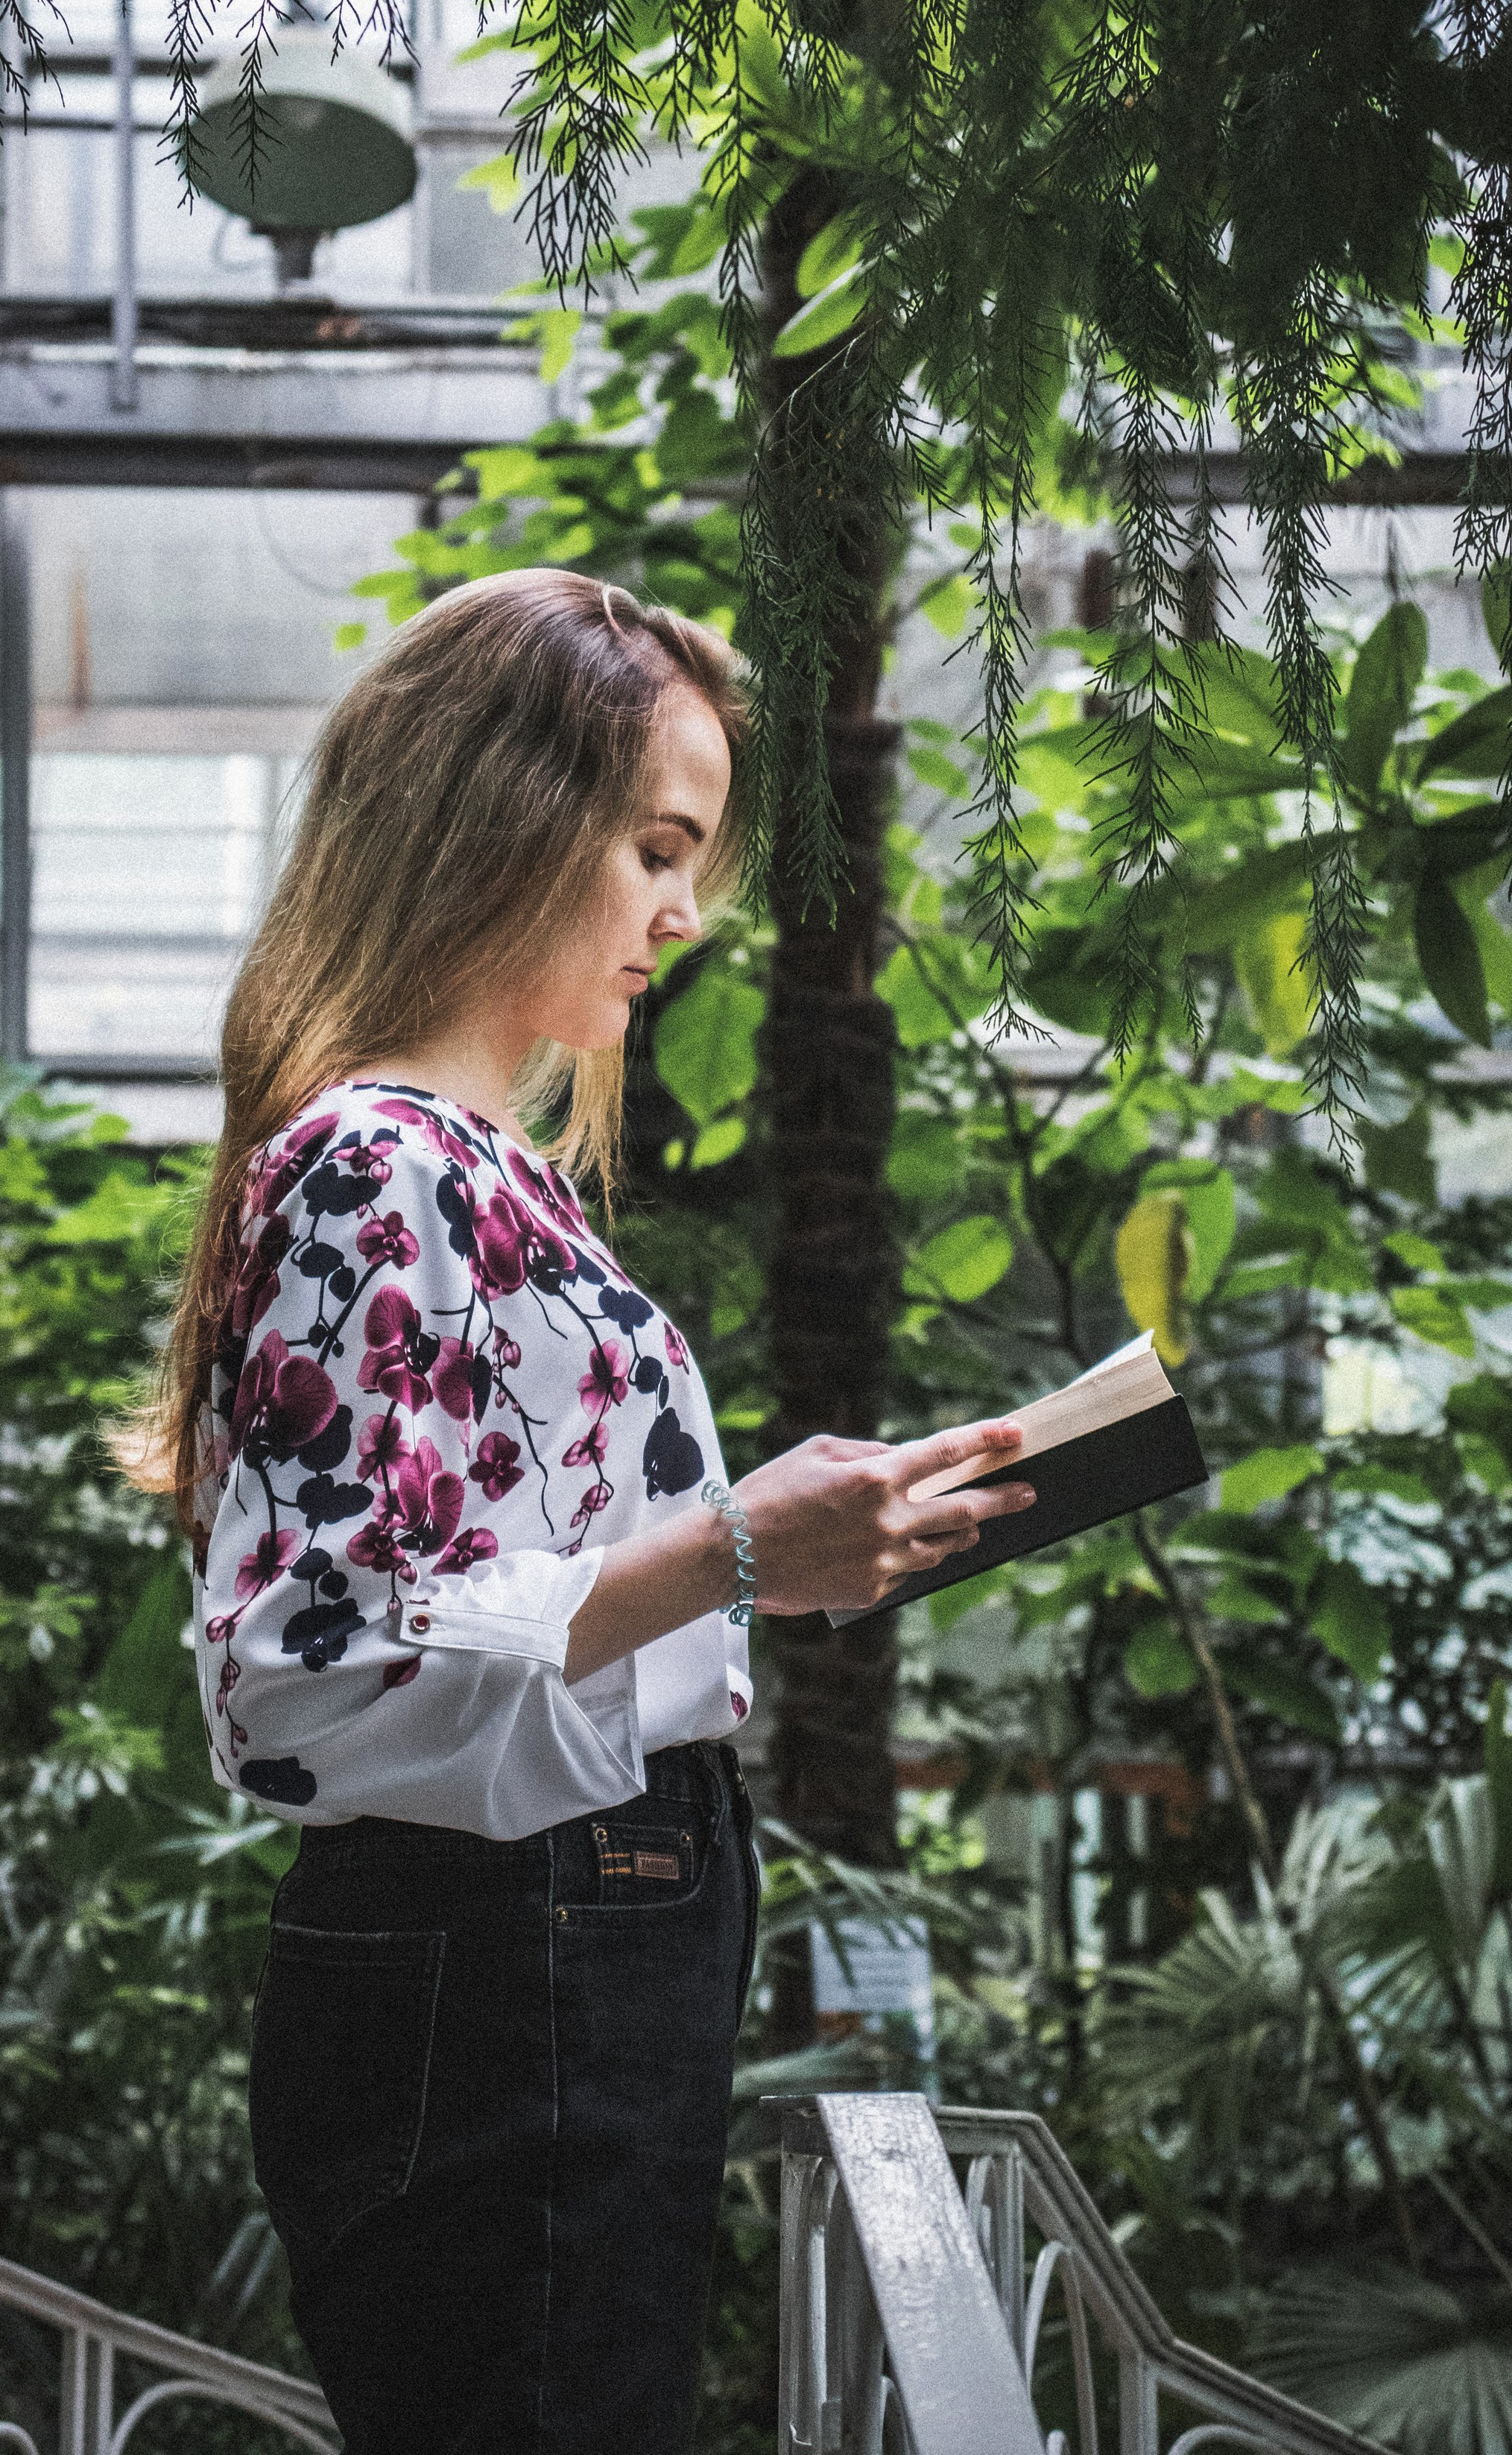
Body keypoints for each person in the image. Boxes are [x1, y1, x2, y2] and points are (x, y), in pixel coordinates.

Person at [123, 569, 1034, 2455]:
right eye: (652, 846)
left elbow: (492, 1595)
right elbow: (306, 1666)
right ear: (500, 814)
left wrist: (770, 1561)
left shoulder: (465, 1171)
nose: (685, 912)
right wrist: (739, 1548)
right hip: (506, 1952)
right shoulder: (377, 1166)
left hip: (566, 1938)